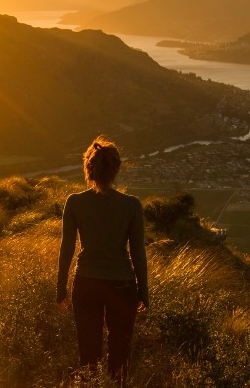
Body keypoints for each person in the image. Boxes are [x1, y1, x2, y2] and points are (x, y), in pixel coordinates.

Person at [57, 136, 148, 384]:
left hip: (86, 283)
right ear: (116, 169)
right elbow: (138, 251)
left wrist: (60, 288)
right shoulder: (131, 205)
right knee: (119, 356)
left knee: (88, 354)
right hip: (122, 285)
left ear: (88, 168)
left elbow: (67, 248)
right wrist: (144, 292)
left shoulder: (74, 202)